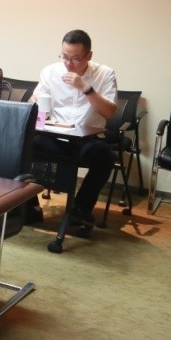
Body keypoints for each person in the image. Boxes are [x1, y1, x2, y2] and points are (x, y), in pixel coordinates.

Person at [29, 29, 118, 226]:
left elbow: (110, 112)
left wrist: (86, 88)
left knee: (106, 156)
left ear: (89, 56)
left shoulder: (105, 74)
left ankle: (80, 209)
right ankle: (29, 207)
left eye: (76, 59)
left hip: (87, 140)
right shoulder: (50, 72)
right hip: (54, 137)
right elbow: (35, 104)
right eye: (64, 56)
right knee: (23, 146)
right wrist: (35, 102)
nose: (68, 64)